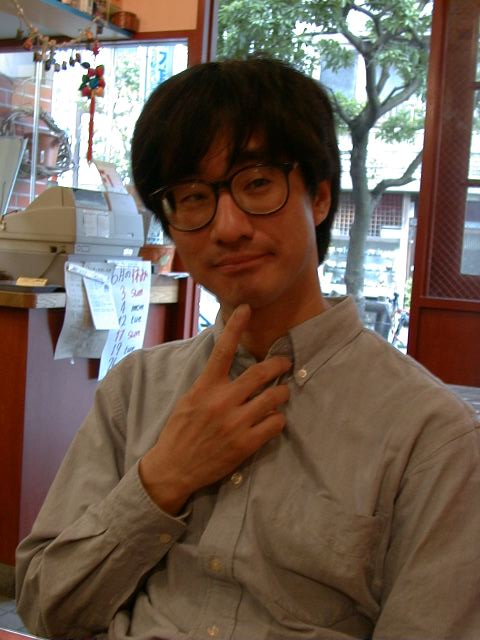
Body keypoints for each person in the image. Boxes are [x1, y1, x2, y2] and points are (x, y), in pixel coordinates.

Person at [15, 57, 480, 640]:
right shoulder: (134, 390)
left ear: (319, 197)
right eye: (192, 196)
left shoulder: (432, 437)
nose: (228, 227)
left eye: (257, 183)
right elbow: (45, 606)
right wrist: (162, 479)